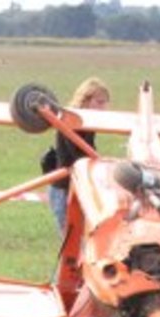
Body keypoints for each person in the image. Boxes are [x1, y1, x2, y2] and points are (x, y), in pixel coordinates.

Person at [48, 77, 110, 235]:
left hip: (78, 187)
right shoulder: (71, 120)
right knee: (72, 241)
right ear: (86, 100)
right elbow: (79, 156)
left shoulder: (87, 122)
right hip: (64, 188)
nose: (104, 107)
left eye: (105, 102)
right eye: (100, 102)